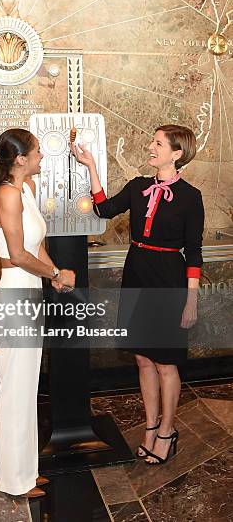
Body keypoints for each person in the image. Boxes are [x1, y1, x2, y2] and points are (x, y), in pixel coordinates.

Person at [71, 125, 204, 465]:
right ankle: (150, 427)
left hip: (169, 279)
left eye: (158, 143)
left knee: (165, 362)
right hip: (136, 272)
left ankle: (167, 431)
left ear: (176, 153)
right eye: (152, 140)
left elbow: (194, 253)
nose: (150, 146)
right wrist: (90, 166)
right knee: (143, 358)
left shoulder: (191, 197)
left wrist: (191, 300)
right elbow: (104, 209)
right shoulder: (138, 186)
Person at [0, 128, 76, 496]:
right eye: (36, 152)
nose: (40, 156)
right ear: (20, 160)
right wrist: (54, 273)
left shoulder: (25, 192)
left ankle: (26, 473)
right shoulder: (7, 195)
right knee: (15, 390)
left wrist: (55, 278)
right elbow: (17, 256)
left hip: (31, 293)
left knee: (27, 387)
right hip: (15, 296)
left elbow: (36, 246)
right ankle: (13, 481)